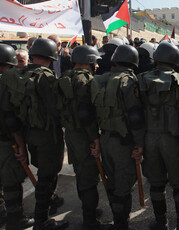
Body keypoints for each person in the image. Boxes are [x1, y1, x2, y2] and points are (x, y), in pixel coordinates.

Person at [137, 42, 179, 230]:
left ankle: (161, 222)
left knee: (156, 182)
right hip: (172, 139)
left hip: (149, 138)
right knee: (178, 183)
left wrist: (137, 142)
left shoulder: (141, 79)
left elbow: (134, 114)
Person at [14, 38, 68, 229]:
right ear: (51, 57)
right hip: (48, 134)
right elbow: (56, 109)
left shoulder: (20, 75)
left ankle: (44, 211)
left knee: (43, 173)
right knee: (48, 175)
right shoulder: (46, 78)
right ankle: (41, 220)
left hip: (28, 132)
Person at [91, 44, 145, 230]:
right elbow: (135, 117)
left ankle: (117, 219)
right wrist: (139, 143)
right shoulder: (129, 82)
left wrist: (95, 139)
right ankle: (122, 224)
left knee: (112, 181)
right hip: (124, 141)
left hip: (105, 137)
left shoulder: (100, 80)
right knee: (123, 185)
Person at [58, 45, 104, 230]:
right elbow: (85, 113)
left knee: (80, 172)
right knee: (89, 176)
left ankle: (89, 209)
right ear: (89, 61)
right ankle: (90, 220)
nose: (97, 66)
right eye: (95, 62)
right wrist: (94, 138)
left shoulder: (65, 77)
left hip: (70, 132)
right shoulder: (84, 80)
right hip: (84, 134)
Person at [0, 43, 35, 229]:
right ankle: (15, 218)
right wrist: (20, 144)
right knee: (11, 179)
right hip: (6, 141)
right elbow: (10, 118)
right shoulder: (7, 83)